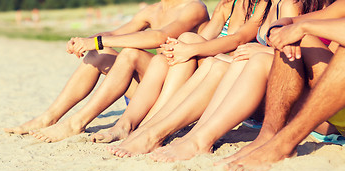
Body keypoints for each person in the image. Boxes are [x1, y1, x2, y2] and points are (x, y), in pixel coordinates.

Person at [108, 0, 320, 158]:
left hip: (281, 94)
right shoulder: (267, 4)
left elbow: (290, 51)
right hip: (258, 81)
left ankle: (159, 134)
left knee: (217, 64)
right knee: (210, 61)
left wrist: (264, 48)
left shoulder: (289, 4)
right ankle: (157, 130)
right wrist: (185, 48)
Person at [4, 0, 209, 142]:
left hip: (178, 90)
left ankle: (78, 122)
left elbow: (159, 37)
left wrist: (98, 41)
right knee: (96, 55)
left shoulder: (193, 7)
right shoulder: (152, 11)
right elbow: (114, 33)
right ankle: (48, 118)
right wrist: (84, 42)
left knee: (130, 54)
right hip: (151, 88)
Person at [92, 0, 270, 148]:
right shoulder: (227, 5)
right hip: (221, 72)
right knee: (167, 55)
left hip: (242, 85)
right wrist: (176, 49)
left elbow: (237, 39)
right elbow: (204, 40)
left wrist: (189, 49)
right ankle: (128, 124)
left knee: (189, 42)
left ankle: (150, 126)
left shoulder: (260, 6)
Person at [217, 0, 345, 171]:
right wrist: (280, 30)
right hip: (335, 106)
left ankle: (283, 145)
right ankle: (268, 136)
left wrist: (303, 27)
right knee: (290, 37)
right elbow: (289, 21)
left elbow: (301, 24)